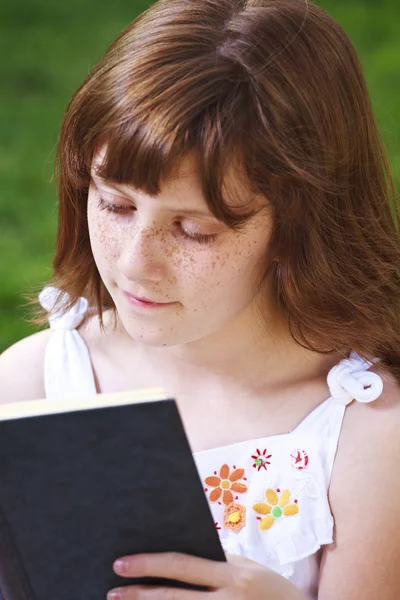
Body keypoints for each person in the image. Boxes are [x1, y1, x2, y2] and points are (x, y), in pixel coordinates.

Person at [1, 0, 400, 597]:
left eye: (196, 231)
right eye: (114, 204)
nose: (136, 262)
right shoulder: (37, 386)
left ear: (299, 227)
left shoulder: (368, 439)